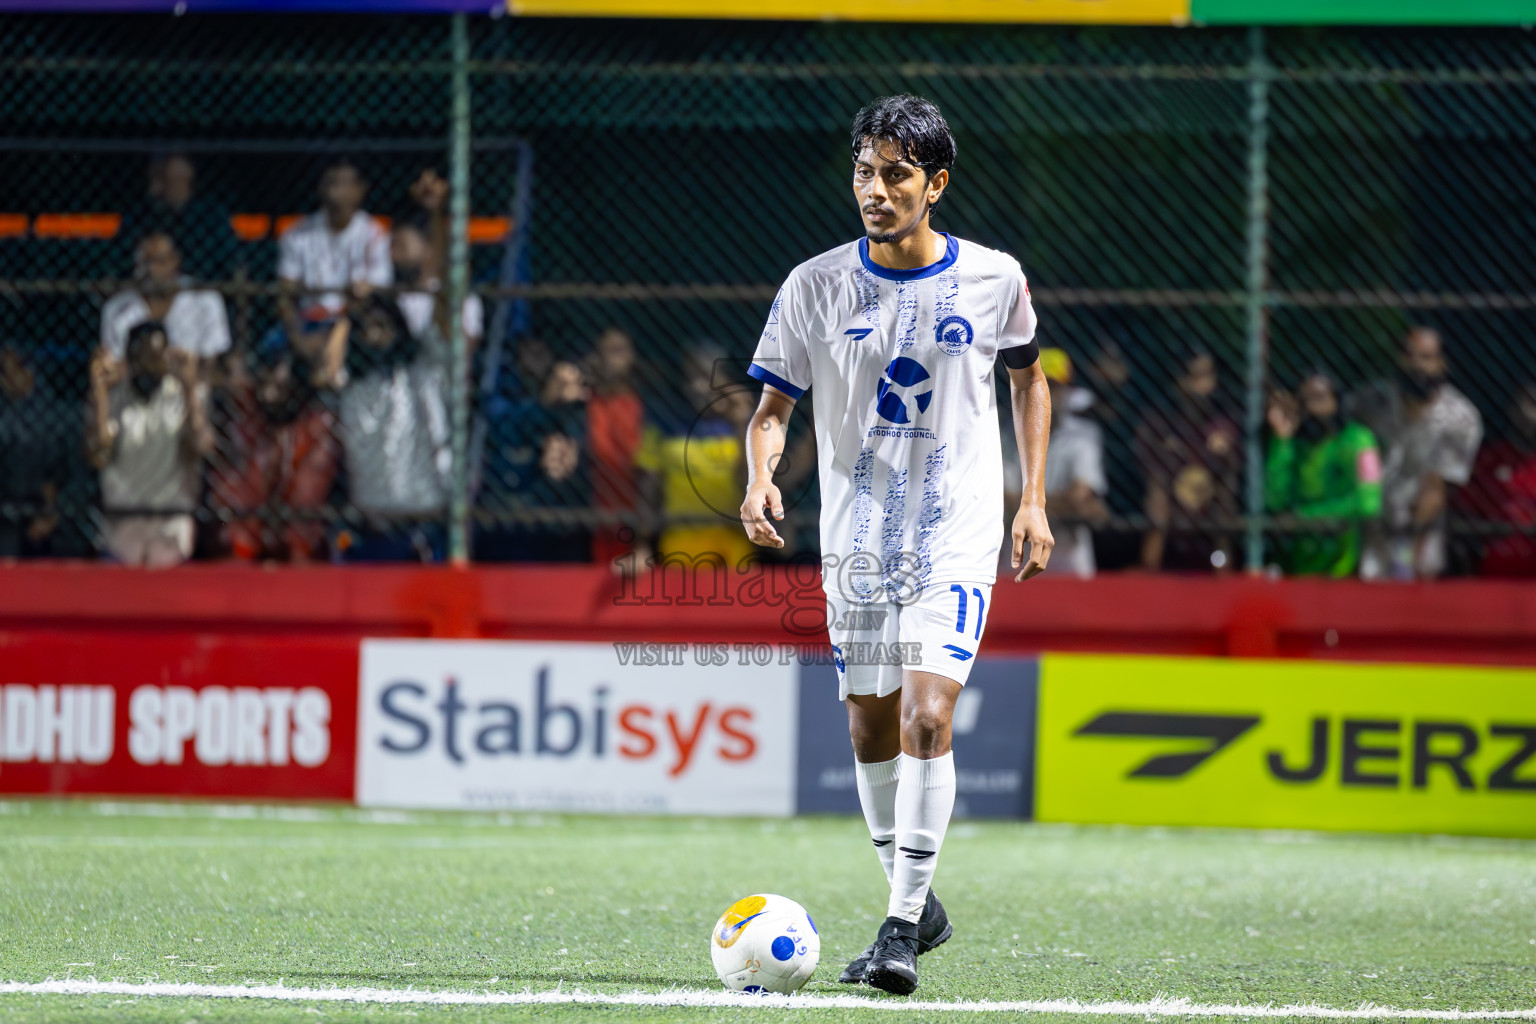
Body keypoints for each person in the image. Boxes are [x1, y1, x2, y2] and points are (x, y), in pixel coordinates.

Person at [737, 95, 1051, 996]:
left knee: (925, 716)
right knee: (868, 727)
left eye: (896, 174)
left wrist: (1031, 500)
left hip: (955, 537)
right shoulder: (813, 286)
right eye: (864, 172)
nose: (874, 191)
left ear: (936, 184)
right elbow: (770, 411)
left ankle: (900, 928)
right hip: (856, 547)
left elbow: (1031, 383)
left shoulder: (995, 279)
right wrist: (760, 476)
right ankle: (920, 898)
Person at [1349, 327, 1482, 580]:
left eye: (1426, 357)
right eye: (1409, 355)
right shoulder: (1371, 402)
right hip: (1366, 527)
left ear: (1442, 364)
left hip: (1419, 537)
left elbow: (1436, 487)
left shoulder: (1460, 417)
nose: (1416, 365)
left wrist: (1407, 553)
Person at [87, 321, 213, 567]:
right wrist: (99, 393)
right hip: (123, 524)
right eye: (141, 358)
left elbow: (198, 448)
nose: (148, 366)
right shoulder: (114, 397)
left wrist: (189, 386)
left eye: (156, 359)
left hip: (170, 524)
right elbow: (98, 455)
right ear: (129, 360)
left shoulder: (183, 395)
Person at [334, 296, 451, 562]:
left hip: (421, 516)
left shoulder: (421, 377)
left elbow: (441, 334)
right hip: (370, 521)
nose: (375, 335)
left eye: (382, 326)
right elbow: (330, 372)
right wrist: (347, 315)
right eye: (367, 328)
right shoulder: (354, 390)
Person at [207, 338, 340, 562]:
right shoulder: (249, 416)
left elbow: (306, 496)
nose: (269, 394)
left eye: (279, 387)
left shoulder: (316, 427)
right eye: (265, 384)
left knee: (301, 540)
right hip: (252, 526)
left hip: (296, 535)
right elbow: (235, 487)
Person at [640, 344, 755, 570]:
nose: (699, 386)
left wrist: (741, 421)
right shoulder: (664, 426)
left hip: (731, 539)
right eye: (692, 376)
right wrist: (643, 543)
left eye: (708, 377)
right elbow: (648, 489)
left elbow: (752, 475)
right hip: (681, 539)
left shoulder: (740, 424)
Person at [1264, 370, 1382, 577]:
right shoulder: (1297, 447)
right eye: (1304, 401)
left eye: (1319, 398)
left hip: (1344, 564)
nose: (1311, 408)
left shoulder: (1359, 441)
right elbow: (1274, 499)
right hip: (1299, 563)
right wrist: (1281, 441)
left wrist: (1306, 517)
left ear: (1337, 401)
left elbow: (1368, 503)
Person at [276, 158, 392, 364]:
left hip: (355, 320)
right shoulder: (297, 234)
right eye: (332, 183)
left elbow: (377, 288)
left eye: (346, 184)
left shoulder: (374, 233)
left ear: (360, 190)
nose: (337, 192)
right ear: (321, 188)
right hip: (309, 320)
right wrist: (298, 338)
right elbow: (285, 293)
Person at [1137, 347, 1241, 573]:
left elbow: (1231, 469)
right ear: (1181, 382)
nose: (1204, 385)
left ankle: (1222, 567)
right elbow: (1151, 466)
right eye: (1197, 376)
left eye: (1208, 376)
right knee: (1157, 500)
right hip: (1171, 509)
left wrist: (1224, 454)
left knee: (1225, 495)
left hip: (1209, 509)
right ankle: (1149, 572)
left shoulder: (1222, 422)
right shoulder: (1162, 422)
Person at [100, 231, 232, 365]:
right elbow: (113, 364)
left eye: (159, 261)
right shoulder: (117, 308)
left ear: (174, 261)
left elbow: (214, 365)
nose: (151, 270)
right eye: (144, 263)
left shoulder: (205, 299)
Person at [392, 170, 484, 352]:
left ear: (429, 248)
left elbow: (465, 348)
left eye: (401, 246)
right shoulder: (394, 294)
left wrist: (435, 210)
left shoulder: (465, 297)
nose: (393, 254)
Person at [1037, 348, 1107, 578]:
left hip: (1069, 562)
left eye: (1054, 385)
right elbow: (999, 498)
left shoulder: (1084, 434)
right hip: (1018, 558)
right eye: (1038, 383)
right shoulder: (1006, 435)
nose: (1046, 392)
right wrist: (1065, 503)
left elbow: (1080, 499)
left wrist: (1026, 504)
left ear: (1066, 389)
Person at [1456, 382, 1536, 577]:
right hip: (1491, 580)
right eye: (1532, 403)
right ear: (1514, 409)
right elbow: (1462, 516)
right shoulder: (1487, 461)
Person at [118, 153, 238, 282]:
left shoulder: (210, 213)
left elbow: (225, 259)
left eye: (179, 179)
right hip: (150, 283)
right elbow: (125, 255)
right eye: (167, 178)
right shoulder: (144, 213)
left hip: (197, 284)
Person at [585, 327, 645, 565]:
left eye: (619, 351)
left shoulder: (643, 404)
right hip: (594, 515)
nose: (612, 359)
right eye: (606, 352)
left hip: (634, 514)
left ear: (631, 357)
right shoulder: (588, 403)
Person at [0, 345, 66, 558]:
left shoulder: (51, 413)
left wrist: (50, 513)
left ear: (27, 371)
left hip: (39, 514)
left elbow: (60, 469)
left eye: (7, 372)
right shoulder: (5, 408)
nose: (3, 380)